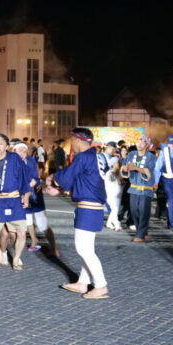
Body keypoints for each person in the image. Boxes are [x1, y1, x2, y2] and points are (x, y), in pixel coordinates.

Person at [46, 127, 109, 299]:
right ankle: (83, 282)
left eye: (72, 140)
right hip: (93, 206)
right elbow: (85, 181)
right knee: (87, 248)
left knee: (83, 248)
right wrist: (60, 190)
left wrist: (53, 178)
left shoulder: (83, 157)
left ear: (78, 140)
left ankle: (101, 285)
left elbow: (67, 177)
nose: (71, 144)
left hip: (88, 208)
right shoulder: (96, 157)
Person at [0, 134, 31, 269]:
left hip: (14, 201)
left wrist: (25, 196)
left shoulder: (14, 158)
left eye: (1, 143)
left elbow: (24, 176)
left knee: (20, 233)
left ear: (7, 146)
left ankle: (16, 259)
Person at [121, 136, 155, 242]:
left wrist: (136, 168)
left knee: (143, 211)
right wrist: (126, 168)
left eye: (142, 143)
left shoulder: (150, 156)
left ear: (147, 145)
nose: (139, 144)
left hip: (145, 189)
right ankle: (142, 231)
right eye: (138, 142)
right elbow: (124, 166)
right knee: (134, 211)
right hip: (133, 188)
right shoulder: (131, 154)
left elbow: (149, 171)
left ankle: (139, 235)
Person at [100, 142, 124, 231]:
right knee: (114, 208)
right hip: (111, 193)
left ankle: (109, 223)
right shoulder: (109, 173)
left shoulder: (118, 173)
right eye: (112, 148)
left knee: (114, 208)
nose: (118, 164)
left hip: (117, 194)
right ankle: (117, 224)